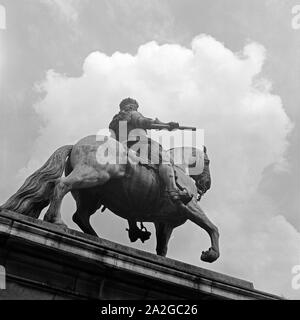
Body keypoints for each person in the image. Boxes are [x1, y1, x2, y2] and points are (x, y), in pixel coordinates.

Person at [109, 97, 191, 205]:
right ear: (131, 106)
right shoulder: (132, 113)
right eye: (135, 107)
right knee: (165, 159)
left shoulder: (114, 121)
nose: (135, 109)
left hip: (121, 147)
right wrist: (166, 125)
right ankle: (173, 190)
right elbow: (143, 122)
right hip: (138, 143)